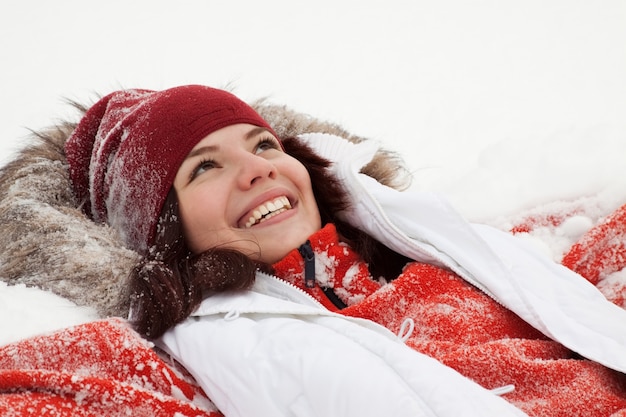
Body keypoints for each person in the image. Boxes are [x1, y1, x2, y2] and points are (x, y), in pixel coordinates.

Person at [47, 84, 626, 416]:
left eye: (265, 143)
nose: (259, 170)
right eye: (205, 167)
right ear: (163, 228)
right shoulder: (192, 358)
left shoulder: (443, 256)